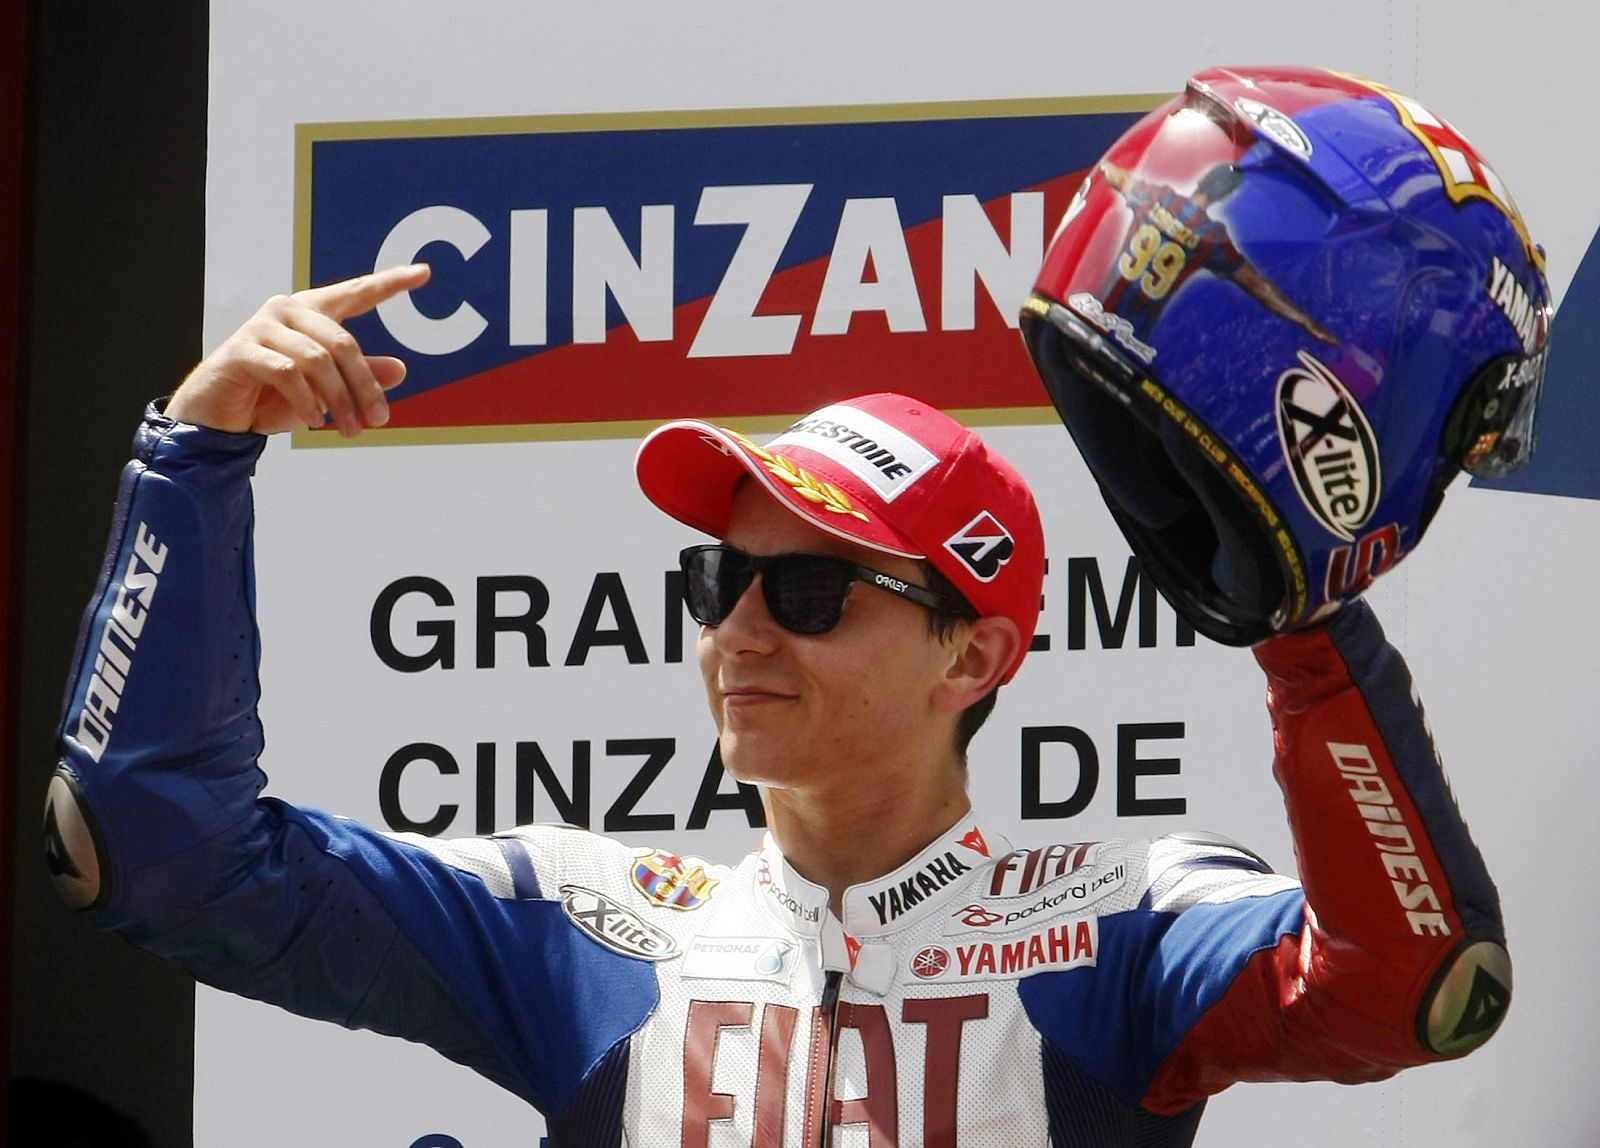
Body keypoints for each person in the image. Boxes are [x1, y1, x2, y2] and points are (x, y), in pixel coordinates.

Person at [46, 65, 1539, 1147]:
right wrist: (198, 448)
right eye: (723, 579)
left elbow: (1415, 990)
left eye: (814, 589)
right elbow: (157, 855)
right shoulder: (587, 927)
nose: (742, 629)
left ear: (981, 651)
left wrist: (1303, 615)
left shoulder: (1121, 926)